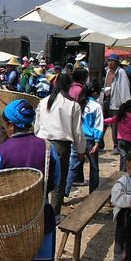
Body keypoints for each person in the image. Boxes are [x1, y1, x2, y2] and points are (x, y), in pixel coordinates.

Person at [0, 100, 60, 261]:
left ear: (12, 125)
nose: (5, 128)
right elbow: (55, 181)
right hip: (40, 215)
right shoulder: (49, 148)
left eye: (5, 125)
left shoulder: (0, 153)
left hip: (12, 220)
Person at [34, 74, 85, 218]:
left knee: (43, 178)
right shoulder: (72, 105)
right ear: (69, 86)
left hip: (42, 143)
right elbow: (77, 131)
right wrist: (81, 150)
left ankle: (40, 211)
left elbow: (37, 127)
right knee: (59, 179)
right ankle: (54, 214)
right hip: (62, 146)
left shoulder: (44, 102)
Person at [65, 81, 104, 196]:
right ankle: (93, 193)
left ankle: (65, 192)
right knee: (94, 168)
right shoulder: (96, 106)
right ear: (96, 93)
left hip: (77, 138)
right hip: (90, 140)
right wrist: (98, 142)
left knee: (73, 167)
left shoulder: (78, 104)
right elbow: (98, 125)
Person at [103, 54, 131, 155]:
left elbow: (124, 88)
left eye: (112, 61)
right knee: (104, 121)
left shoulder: (121, 72)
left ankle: (117, 145)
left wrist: (125, 104)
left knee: (115, 124)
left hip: (117, 102)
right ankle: (100, 142)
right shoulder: (108, 71)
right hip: (107, 99)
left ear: (117, 62)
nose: (110, 63)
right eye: (109, 61)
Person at [104, 100, 131, 172]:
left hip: (120, 140)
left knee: (123, 158)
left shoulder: (120, 116)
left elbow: (110, 120)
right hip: (130, 141)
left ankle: (122, 173)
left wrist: (99, 122)